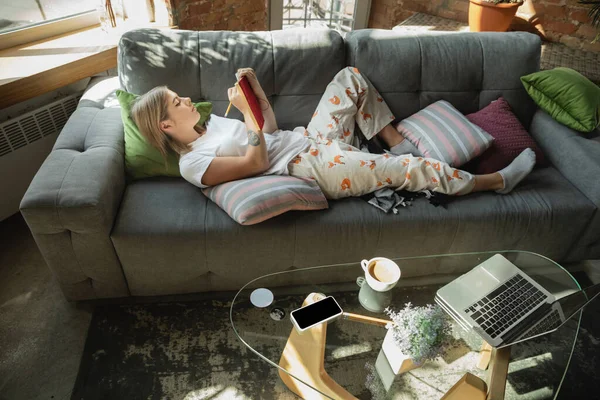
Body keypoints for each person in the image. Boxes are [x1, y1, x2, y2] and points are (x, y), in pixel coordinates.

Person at [131, 67, 536, 200]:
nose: (185, 99)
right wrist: (247, 118)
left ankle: (397, 138)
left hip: (307, 137)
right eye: (176, 102)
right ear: (166, 125)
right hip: (309, 166)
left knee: (349, 78)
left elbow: (268, 130)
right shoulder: (193, 163)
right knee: (403, 169)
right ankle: (493, 182)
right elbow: (256, 161)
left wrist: (255, 96)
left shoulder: (214, 125)